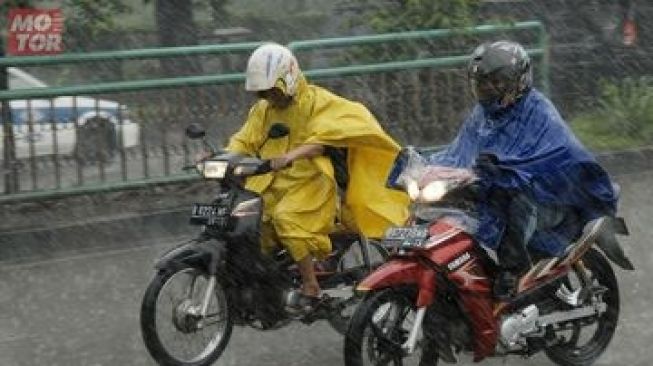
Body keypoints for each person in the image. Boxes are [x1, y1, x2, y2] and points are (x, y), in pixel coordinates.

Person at [221, 43, 409, 309]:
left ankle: (311, 285)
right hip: (269, 181)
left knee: (288, 220)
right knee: (249, 221)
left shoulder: (318, 103)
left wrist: (292, 156)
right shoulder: (262, 111)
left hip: (311, 181)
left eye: (271, 90)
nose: (267, 96)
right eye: (262, 92)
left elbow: (326, 138)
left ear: (287, 78)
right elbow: (244, 140)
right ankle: (273, 281)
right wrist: (223, 157)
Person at [428, 40, 618, 299]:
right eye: (483, 83)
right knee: (445, 204)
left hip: (551, 199)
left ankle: (512, 271)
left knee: (519, 202)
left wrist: (505, 170)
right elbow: (458, 152)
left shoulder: (539, 113)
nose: (489, 89)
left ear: (518, 80)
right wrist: (424, 167)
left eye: (498, 81)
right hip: (497, 189)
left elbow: (548, 158)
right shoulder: (482, 116)